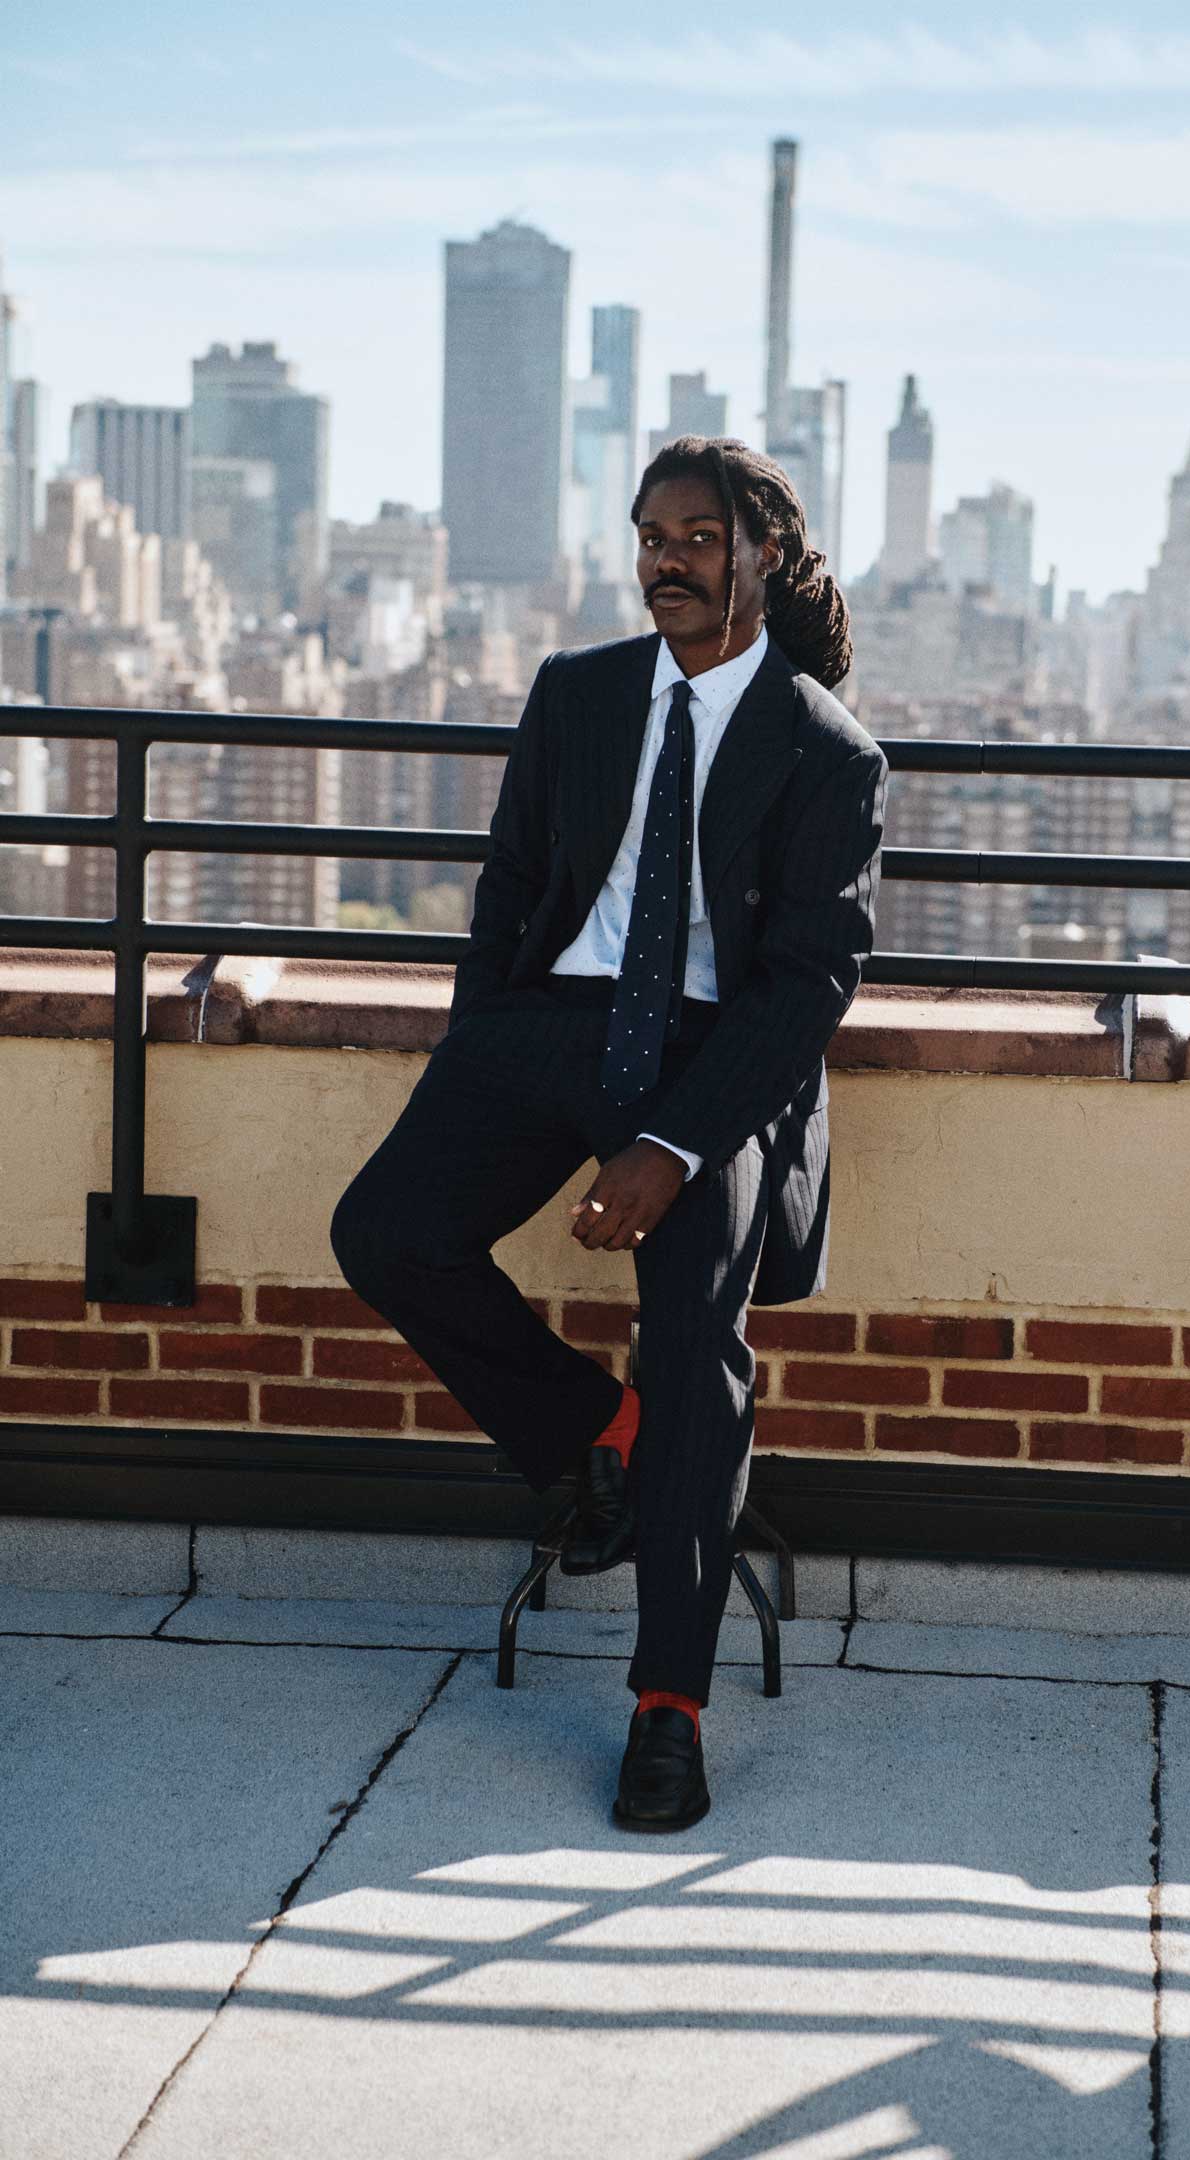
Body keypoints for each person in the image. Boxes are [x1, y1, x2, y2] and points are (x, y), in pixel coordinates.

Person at [330, 435, 887, 1829]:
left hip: (710, 1059)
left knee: (697, 1345)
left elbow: (808, 983)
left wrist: (676, 1147)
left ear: (761, 553)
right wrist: (479, 1040)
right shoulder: (577, 695)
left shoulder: (827, 751)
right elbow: (511, 879)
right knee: (388, 1232)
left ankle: (668, 1707)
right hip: (552, 1022)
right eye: (650, 536)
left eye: (697, 537)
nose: (667, 560)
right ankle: (602, 1430)